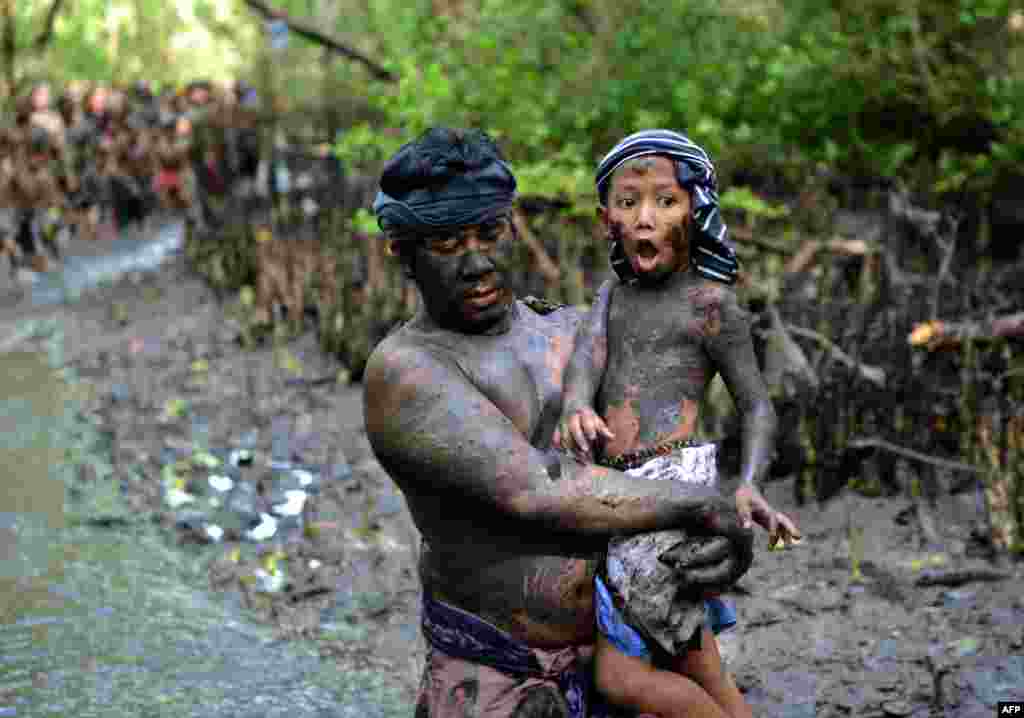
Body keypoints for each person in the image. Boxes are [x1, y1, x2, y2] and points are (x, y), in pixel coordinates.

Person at [363, 127, 758, 718]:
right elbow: (537, 490)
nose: (478, 262)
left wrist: (719, 545)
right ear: (401, 251)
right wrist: (704, 507)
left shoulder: (570, 331)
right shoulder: (407, 370)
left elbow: (657, 458)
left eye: (490, 232)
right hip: (499, 678)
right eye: (446, 243)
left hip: (625, 653)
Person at [553, 130, 803, 718]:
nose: (646, 219)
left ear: (697, 212)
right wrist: (575, 406)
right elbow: (585, 361)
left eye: (666, 201)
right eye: (629, 202)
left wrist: (749, 483)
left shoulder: (711, 305)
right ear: (604, 219)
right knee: (692, 654)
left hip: (671, 490)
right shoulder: (611, 296)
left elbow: (757, 405)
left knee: (623, 674)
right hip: (613, 496)